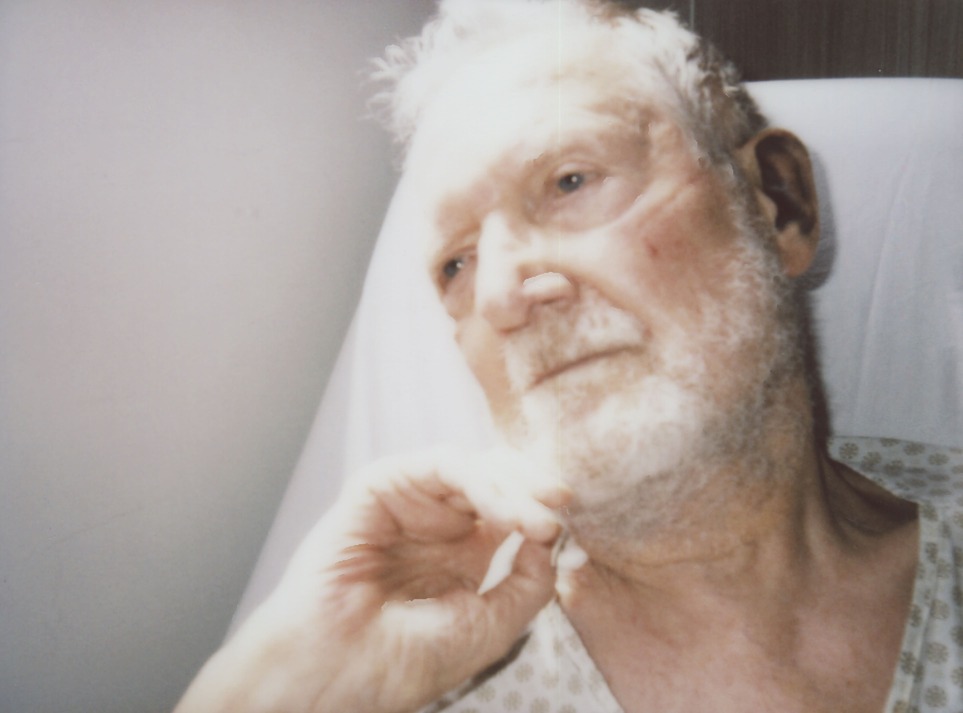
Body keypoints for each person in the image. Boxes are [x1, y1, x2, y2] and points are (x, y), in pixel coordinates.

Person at [174, 2, 963, 712]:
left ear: (777, 203)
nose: (498, 296)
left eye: (569, 181)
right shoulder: (414, 673)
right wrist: (279, 688)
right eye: (455, 264)